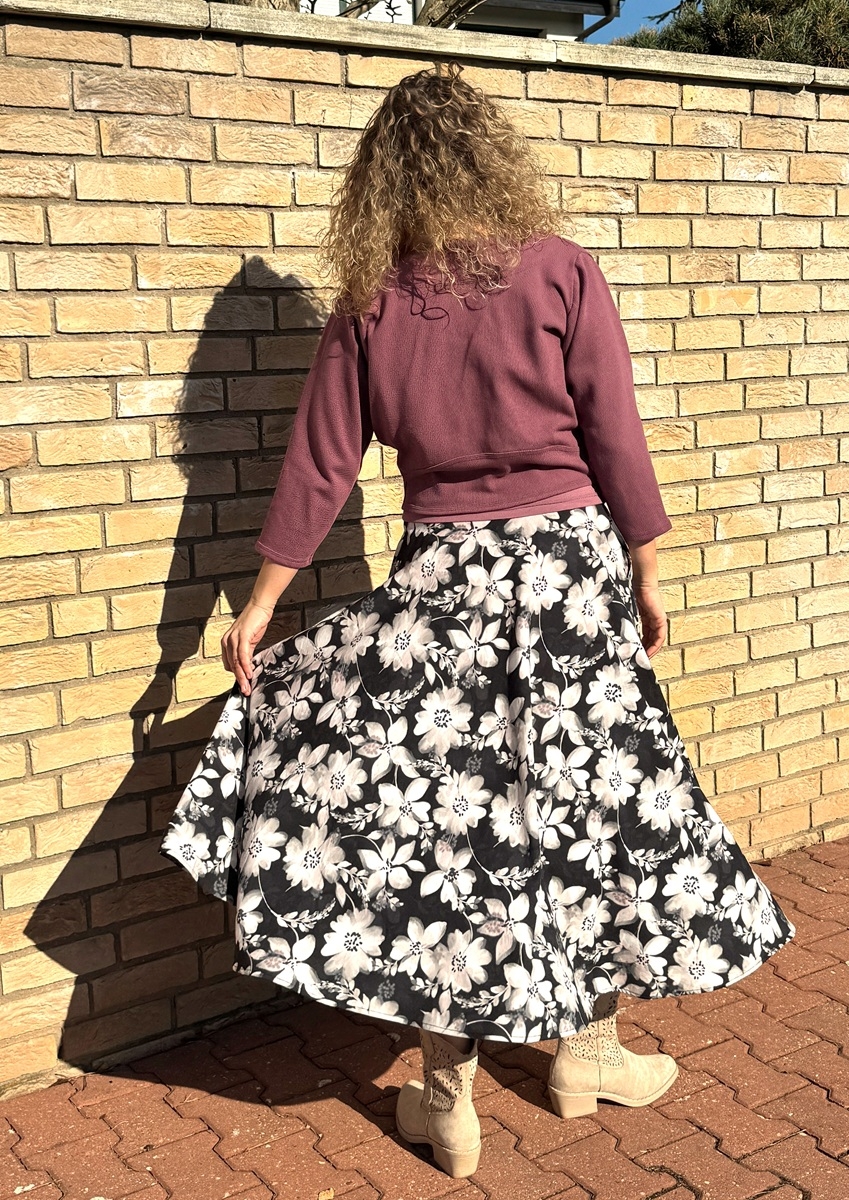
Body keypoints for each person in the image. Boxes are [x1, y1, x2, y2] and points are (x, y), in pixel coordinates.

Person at [160, 60, 796, 1180]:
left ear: (383, 182)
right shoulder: (560, 269)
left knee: (449, 836)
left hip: (441, 585)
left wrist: (260, 606)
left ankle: (451, 1100)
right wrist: (646, 569)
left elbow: (322, 464)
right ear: (489, 158)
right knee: (585, 810)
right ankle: (585, 1054)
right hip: (568, 579)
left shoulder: (370, 302)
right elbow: (615, 434)